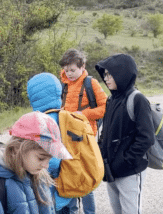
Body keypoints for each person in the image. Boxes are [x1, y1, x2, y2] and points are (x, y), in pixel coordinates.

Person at [0, 111, 73, 214]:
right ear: (18, 148)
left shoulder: (39, 177)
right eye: (41, 158)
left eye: (49, 159)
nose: (46, 165)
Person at [95, 53, 154, 214]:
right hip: (111, 170)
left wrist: (126, 161)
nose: (106, 78)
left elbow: (147, 138)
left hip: (129, 170)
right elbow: (105, 132)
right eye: (105, 74)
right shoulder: (111, 100)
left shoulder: (137, 99)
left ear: (122, 73)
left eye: (110, 74)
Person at [58, 49, 108, 214]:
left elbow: (104, 107)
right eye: (66, 70)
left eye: (73, 70)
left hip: (86, 137)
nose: (69, 73)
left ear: (82, 66)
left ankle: (89, 212)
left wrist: (83, 115)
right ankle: (72, 211)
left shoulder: (90, 83)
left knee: (85, 176)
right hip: (66, 138)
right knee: (69, 174)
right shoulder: (62, 83)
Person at [26, 72, 73, 214]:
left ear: (34, 97)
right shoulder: (64, 116)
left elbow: (52, 159)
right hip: (68, 182)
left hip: (53, 185)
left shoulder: (44, 122)